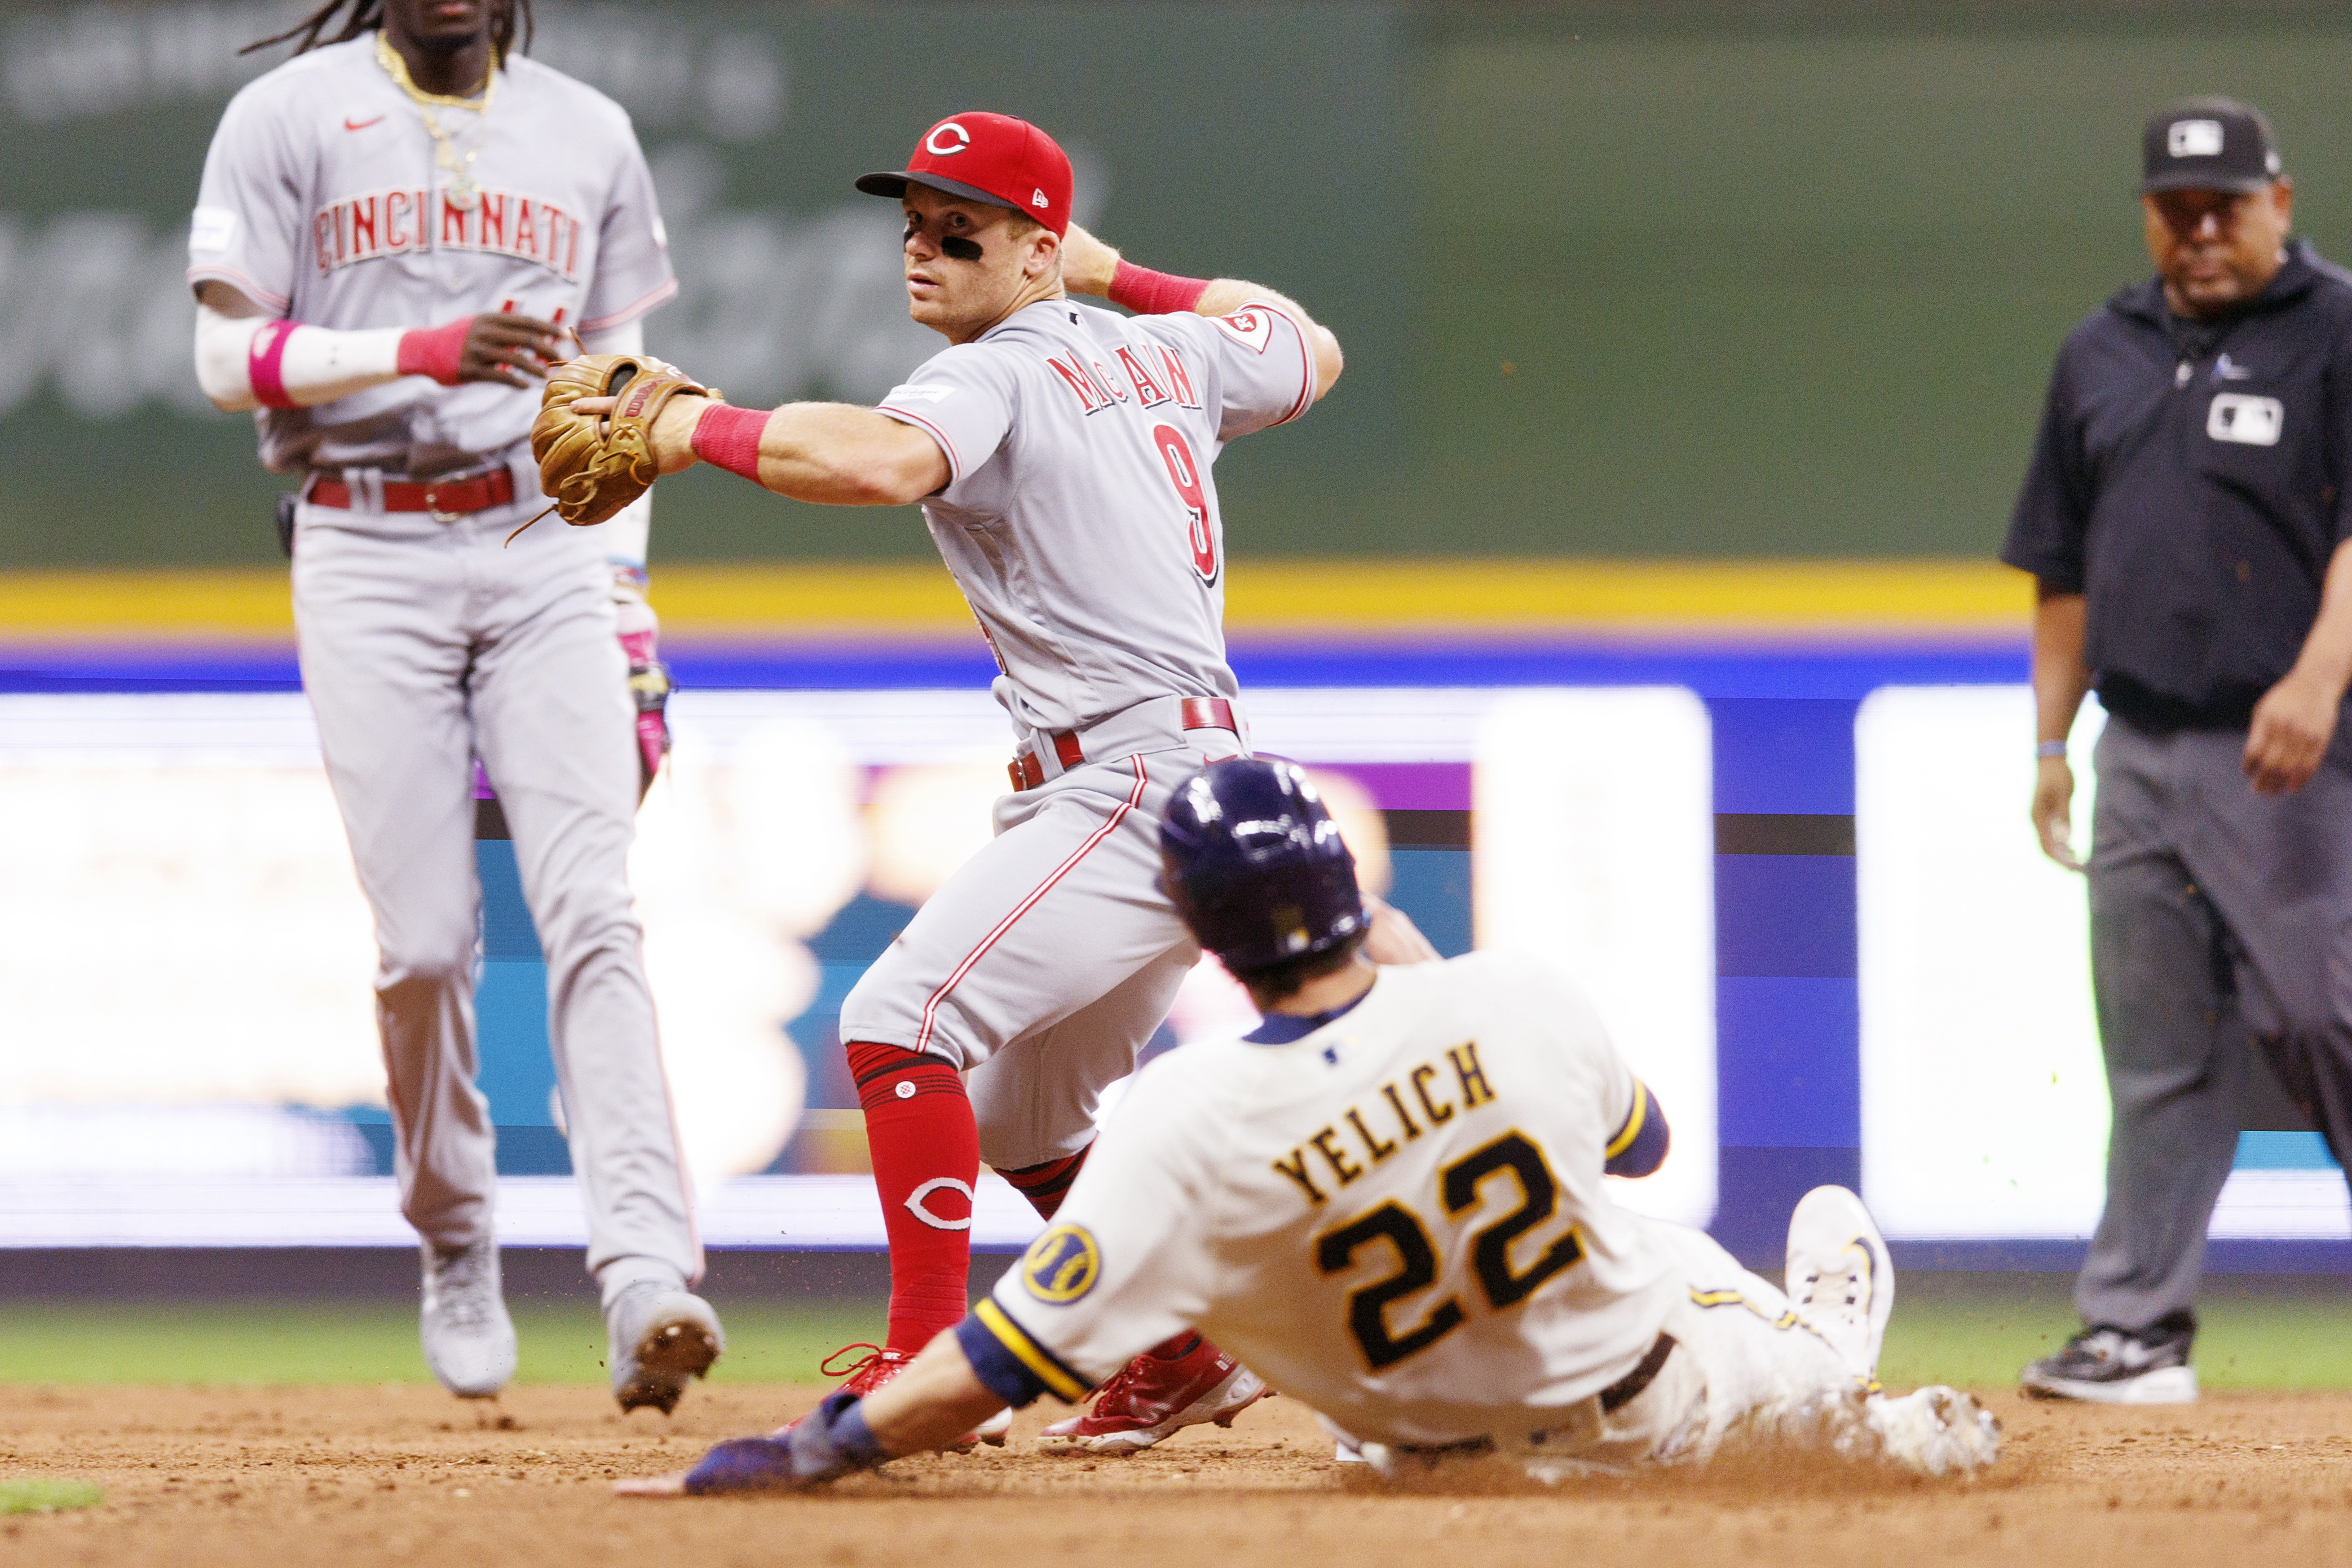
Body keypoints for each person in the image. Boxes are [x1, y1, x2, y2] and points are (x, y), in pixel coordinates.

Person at [542, 107, 1414, 1451]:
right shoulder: (1170, 349)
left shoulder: (991, 372)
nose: (924, 251)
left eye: (963, 230)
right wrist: (1121, 274)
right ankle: (1181, 1348)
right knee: (1023, 1112)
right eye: (913, 226)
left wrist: (690, 427)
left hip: (1125, 779)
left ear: (1033, 251)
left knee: (900, 1017)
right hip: (1182, 764)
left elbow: (884, 462)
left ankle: (916, 1366)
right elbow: (1308, 341)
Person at [612, 758, 2002, 1495]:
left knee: (1347, 1288)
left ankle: (1788, 1375)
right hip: (1662, 1405)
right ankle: (1822, 1370)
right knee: (1638, 1229)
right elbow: (1638, 1144)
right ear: (1347, 882)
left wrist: (808, 1451)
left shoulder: (1174, 1121)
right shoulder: (1509, 998)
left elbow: (988, 1366)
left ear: (1201, 934)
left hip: (1431, 1464)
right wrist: (1419, 984)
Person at [184, 0, 721, 1411]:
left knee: (594, 905)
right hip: (363, 537)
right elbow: (222, 359)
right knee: (423, 942)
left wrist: (628, 611)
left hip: (547, 537)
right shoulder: (288, 116)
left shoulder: (588, 128)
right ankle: (458, 1236)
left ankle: (647, 1275)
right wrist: (416, 350)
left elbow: (625, 398)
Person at [2005, 96, 2352, 1404]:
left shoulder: (2335, 332)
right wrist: (2053, 737)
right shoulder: (2101, 349)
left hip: (2293, 747)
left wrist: (2319, 678)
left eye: (2224, 206)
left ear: (2278, 197)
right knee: (2157, 1049)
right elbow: (2059, 570)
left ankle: (2138, 1319)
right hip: (2140, 747)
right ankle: (2136, 1326)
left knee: (2326, 1012)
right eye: (2175, 209)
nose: (2199, 231)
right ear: (2149, 214)